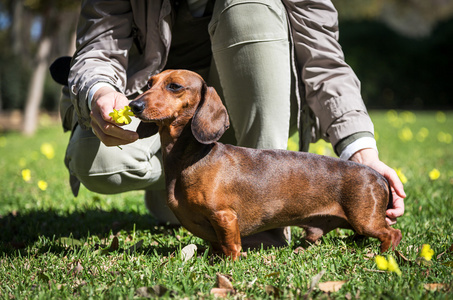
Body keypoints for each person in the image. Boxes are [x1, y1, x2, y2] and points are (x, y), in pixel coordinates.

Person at [56, 0, 405, 247]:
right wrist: (99, 92)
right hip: (165, 124)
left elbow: (324, 58)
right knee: (97, 159)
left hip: (250, 114)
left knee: (249, 7)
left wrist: (360, 149)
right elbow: (97, 46)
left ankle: (266, 223)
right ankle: (182, 199)